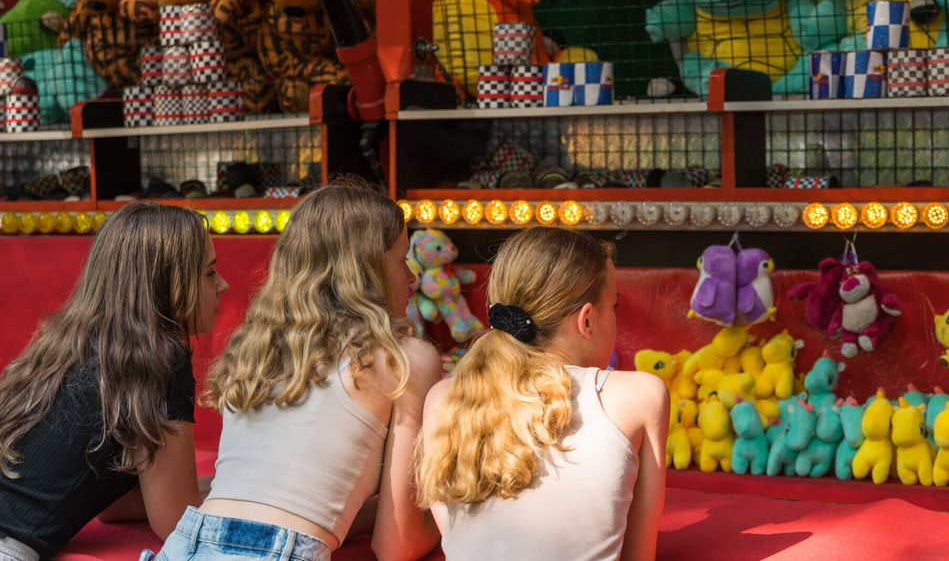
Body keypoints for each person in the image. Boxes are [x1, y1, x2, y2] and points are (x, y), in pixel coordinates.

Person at [157, 182, 441, 560]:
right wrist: (450, 516)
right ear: (367, 268)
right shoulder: (404, 358)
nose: (412, 277)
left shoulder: (255, 347)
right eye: (402, 259)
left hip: (187, 541)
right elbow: (396, 546)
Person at [417, 227, 669, 561]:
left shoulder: (444, 398)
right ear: (588, 320)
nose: (615, 318)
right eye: (615, 306)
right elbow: (638, 556)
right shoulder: (639, 396)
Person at [0, 203, 227, 561]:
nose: (223, 285)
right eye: (210, 273)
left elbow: (110, 505)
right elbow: (175, 521)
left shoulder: (75, 343)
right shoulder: (161, 358)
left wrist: (214, 487)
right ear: (168, 284)